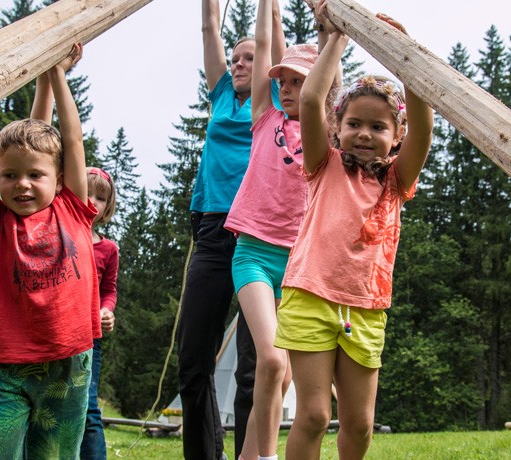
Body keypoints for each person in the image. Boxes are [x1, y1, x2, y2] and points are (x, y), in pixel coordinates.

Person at [273, 3, 434, 459]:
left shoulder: (397, 180)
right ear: (337, 128)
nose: (365, 133)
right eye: (354, 124)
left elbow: (424, 124)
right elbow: (310, 99)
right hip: (310, 295)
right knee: (313, 415)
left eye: (378, 126)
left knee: (360, 425)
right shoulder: (322, 165)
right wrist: (338, 37)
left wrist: (406, 57)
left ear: (396, 136)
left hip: (366, 307)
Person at [0, 43, 101, 459]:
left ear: (60, 176)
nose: (22, 184)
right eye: (10, 175)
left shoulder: (73, 207)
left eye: (36, 174)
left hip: (70, 363)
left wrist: (55, 74)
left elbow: (70, 139)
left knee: (52, 455)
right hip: (10, 366)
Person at [223, 0, 340, 457]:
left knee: (284, 374)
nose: (288, 90)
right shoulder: (263, 117)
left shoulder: (327, 133)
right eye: (284, 82)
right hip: (253, 252)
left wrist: (332, 36)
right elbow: (268, 41)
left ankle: (252, 455)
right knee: (271, 359)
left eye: (298, 82)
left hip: (297, 261)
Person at [176, 0, 285, 458]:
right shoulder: (222, 95)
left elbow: (271, 35)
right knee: (193, 360)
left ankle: (249, 454)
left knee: (252, 365)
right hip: (211, 232)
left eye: (249, 58)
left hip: (257, 234)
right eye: (234, 58)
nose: (240, 64)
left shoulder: (275, 99)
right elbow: (208, 28)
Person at [80, 166, 119, 459]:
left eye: (101, 197)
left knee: (88, 406)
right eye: (86, 192)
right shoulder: (58, 235)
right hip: (51, 333)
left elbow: (109, 289)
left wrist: (107, 310)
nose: (92, 201)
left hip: (89, 338)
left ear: (108, 206)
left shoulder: (108, 249)